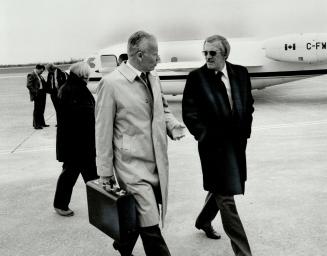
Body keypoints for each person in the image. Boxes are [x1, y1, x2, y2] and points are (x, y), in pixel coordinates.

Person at [95, 30, 185, 256]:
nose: (158, 59)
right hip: (131, 168)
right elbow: (102, 132)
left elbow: (162, 109)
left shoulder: (153, 78)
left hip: (156, 161)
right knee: (151, 225)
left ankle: (123, 245)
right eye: (155, 54)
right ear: (139, 54)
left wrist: (173, 125)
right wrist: (105, 173)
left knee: (140, 216)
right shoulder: (111, 84)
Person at [182, 34, 254, 256]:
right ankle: (243, 252)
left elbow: (248, 104)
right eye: (205, 52)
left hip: (236, 145)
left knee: (221, 188)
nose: (207, 57)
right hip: (213, 147)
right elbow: (189, 113)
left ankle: (203, 221)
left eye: (212, 53)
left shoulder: (240, 73)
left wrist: (245, 131)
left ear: (225, 53)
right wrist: (203, 135)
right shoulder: (197, 78)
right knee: (226, 196)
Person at [53, 62, 98, 217]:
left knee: (91, 175)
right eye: (88, 75)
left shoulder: (70, 87)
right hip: (78, 144)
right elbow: (83, 118)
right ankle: (60, 204)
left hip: (77, 143)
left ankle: (103, 204)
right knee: (72, 175)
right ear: (83, 75)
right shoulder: (75, 90)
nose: (89, 78)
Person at [26, 64, 48, 129]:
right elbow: (28, 85)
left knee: (41, 109)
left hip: (42, 93)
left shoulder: (39, 75)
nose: (42, 72)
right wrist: (35, 92)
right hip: (37, 94)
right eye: (41, 70)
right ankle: (36, 124)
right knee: (37, 109)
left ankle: (42, 123)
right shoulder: (31, 74)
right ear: (38, 69)